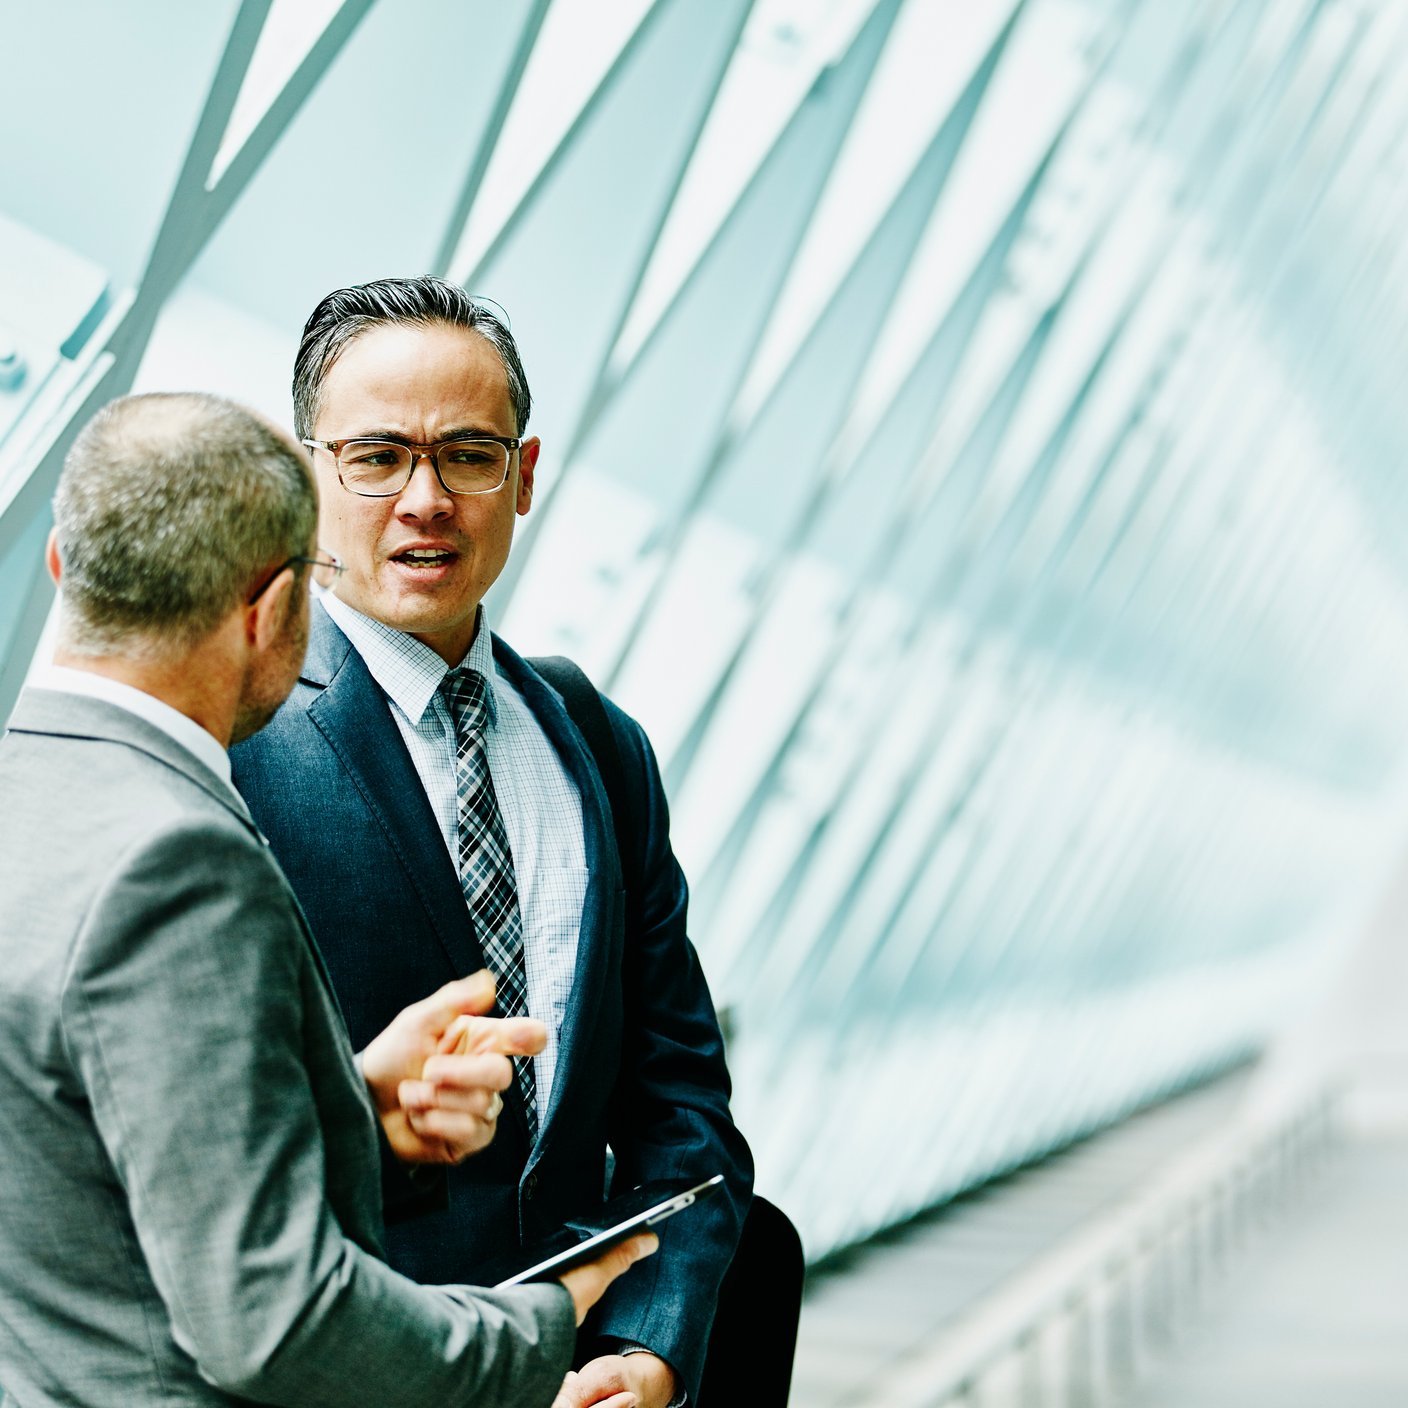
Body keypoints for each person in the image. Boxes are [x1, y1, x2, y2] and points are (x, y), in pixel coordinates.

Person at [0, 392, 655, 1408]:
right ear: (269, 610)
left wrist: (352, 1107)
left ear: (59, 567)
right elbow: (274, 1319)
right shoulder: (178, 859)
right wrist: (541, 1331)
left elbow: (81, 1163)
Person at [230, 277, 754, 1408]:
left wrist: (648, 1347)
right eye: (376, 456)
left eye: (467, 455)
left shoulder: (596, 744)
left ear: (523, 477)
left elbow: (681, 1105)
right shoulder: (230, 733)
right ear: (306, 472)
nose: (425, 499)